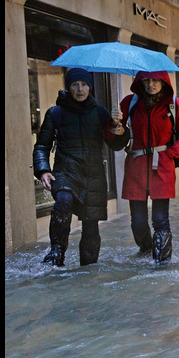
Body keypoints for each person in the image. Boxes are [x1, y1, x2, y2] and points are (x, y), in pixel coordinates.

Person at [33, 68, 129, 267]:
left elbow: (116, 145)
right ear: (68, 87)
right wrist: (43, 170)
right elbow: (42, 145)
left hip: (93, 174)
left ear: (90, 87)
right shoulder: (55, 113)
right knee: (63, 201)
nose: (80, 89)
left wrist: (120, 129)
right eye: (75, 84)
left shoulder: (101, 113)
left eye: (84, 84)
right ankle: (56, 255)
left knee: (91, 227)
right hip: (65, 171)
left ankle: (88, 271)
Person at [117, 70, 179, 263]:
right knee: (138, 222)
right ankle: (146, 251)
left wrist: (169, 154)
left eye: (155, 80)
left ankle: (161, 263)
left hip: (162, 167)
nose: (151, 84)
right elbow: (116, 137)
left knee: (160, 219)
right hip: (136, 166)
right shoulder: (130, 103)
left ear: (163, 82)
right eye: (146, 80)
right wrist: (114, 127)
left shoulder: (174, 105)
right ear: (140, 82)